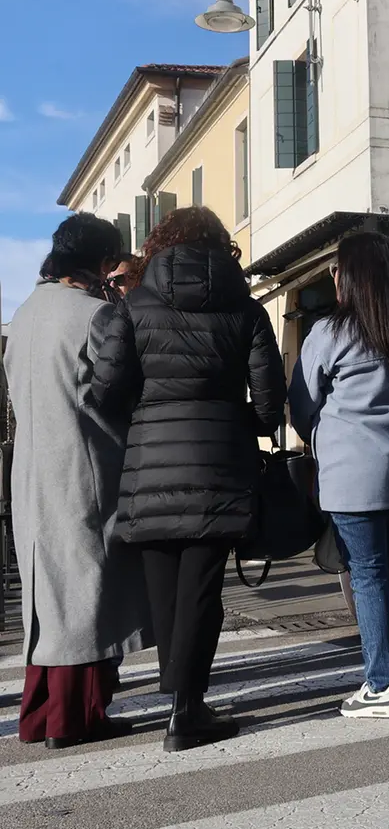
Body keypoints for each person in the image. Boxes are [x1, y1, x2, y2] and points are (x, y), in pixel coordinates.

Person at [91, 206, 286, 752]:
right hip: (221, 462)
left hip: (151, 458)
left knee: (164, 590)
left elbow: (102, 392)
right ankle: (188, 709)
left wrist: (145, 418)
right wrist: (231, 421)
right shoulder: (246, 311)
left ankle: (178, 699)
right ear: (220, 246)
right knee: (203, 589)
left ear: (159, 244)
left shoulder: (132, 308)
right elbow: (271, 407)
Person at [4, 214, 151, 748]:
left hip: (33, 468)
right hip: (87, 462)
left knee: (49, 592)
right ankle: (76, 716)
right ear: (101, 260)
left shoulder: (22, 315)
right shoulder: (99, 316)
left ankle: (43, 712)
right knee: (88, 590)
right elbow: (117, 395)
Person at [288, 232, 389, 719]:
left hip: (354, 471)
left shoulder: (331, 332)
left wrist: (320, 433)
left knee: (369, 575)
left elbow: (301, 403)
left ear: (347, 277)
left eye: (336, 270)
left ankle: (380, 684)